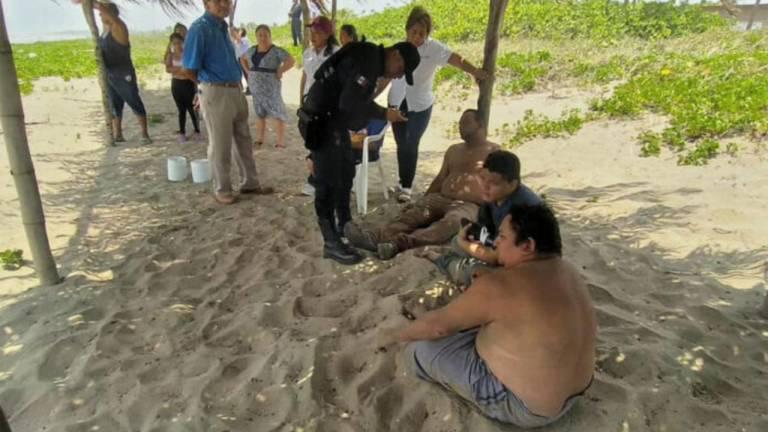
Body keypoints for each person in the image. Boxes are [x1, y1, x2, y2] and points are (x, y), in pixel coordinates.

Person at [380, 204, 596, 428]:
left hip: (526, 407)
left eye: (502, 237)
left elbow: (438, 328)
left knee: (420, 351)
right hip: (576, 392)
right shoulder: (568, 271)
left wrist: (393, 335)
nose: (497, 242)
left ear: (528, 245)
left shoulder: (501, 285)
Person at [299, 40, 420, 265]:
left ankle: (345, 226)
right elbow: (349, 103)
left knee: (346, 173)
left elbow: (351, 103)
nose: (396, 76)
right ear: (396, 56)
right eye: (400, 71)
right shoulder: (368, 62)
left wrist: (380, 114)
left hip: (333, 121)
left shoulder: (371, 59)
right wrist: (385, 113)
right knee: (327, 182)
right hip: (320, 122)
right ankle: (330, 241)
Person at [344, 109, 498, 260]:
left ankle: (399, 244)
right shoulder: (454, 150)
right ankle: (374, 237)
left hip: (469, 204)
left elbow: (498, 185)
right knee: (413, 215)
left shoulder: (494, 152)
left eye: (465, 122)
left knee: (452, 223)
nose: (460, 126)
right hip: (442, 197)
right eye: (459, 122)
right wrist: (423, 200)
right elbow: (440, 178)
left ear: (480, 124)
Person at [387, 6, 487, 203]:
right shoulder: (397, 48)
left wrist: (475, 72)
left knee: (411, 142)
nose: (416, 37)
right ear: (407, 30)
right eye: (413, 32)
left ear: (427, 34)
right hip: (397, 101)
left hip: (420, 104)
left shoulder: (434, 49)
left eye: (421, 34)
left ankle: (406, 187)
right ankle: (402, 181)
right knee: (401, 144)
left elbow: (456, 60)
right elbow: (384, 75)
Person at [182, 0, 273, 205]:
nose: (224, 4)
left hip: (235, 89)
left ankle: (250, 183)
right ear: (206, 3)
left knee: (243, 140)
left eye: (226, 0)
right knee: (220, 143)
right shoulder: (199, 29)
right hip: (216, 90)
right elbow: (188, 68)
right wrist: (204, 88)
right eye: (218, 1)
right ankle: (222, 188)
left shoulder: (224, 27)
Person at [422, 150, 543, 287]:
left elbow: (496, 256)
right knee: (458, 241)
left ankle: (443, 261)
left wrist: (464, 243)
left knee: (474, 272)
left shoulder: (522, 210)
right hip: (504, 250)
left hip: (526, 270)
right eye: (483, 178)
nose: (485, 186)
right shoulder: (494, 197)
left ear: (513, 184)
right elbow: (488, 234)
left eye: (493, 182)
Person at [93, 1, 151, 145]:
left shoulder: (119, 27)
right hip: (110, 74)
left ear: (110, 13)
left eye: (102, 13)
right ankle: (118, 134)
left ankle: (144, 134)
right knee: (115, 104)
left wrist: (93, 3)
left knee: (134, 101)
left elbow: (109, 15)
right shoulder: (105, 30)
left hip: (124, 74)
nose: (100, 16)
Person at [300, 16, 340, 196]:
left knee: (323, 144)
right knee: (312, 141)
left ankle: (318, 180)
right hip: (310, 105)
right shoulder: (307, 53)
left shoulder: (336, 54)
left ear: (327, 34)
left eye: (317, 32)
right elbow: (305, 76)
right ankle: (316, 179)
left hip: (328, 107)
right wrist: (301, 97)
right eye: (311, 31)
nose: (313, 35)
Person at [242, 25, 295, 149]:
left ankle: (280, 141)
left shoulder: (276, 50)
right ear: (256, 37)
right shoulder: (251, 50)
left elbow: (291, 60)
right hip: (255, 88)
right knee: (259, 113)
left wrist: (281, 70)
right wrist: (248, 71)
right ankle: (260, 139)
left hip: (271, 88)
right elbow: (242, 59)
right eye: (260, 35)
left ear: (270, 36)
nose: (263, 37)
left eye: (265, 35)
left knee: (277, 112)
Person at [165, 32, 201, 143]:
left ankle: (197, 131)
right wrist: (181, 70)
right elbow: (168, 69)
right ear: (171, 44)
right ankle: (182, 132)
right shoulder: (170, 55)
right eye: (175, 43)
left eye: (179, 43)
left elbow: (191, 69)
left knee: (192, 108)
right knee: (181, 109)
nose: (177, 45)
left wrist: (180, 70)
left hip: (188, 83)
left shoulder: (187, 54)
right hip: (176, 84)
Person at [231, 26, 251, 94]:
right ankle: (246, 87)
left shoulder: (245, 39)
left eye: (239, 32)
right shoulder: (237, 41)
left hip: (246, 59)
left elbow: (238, 38)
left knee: (247, 73)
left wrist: (236, 31)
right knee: (243, 74)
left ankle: (251, 88)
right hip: (240, 59)